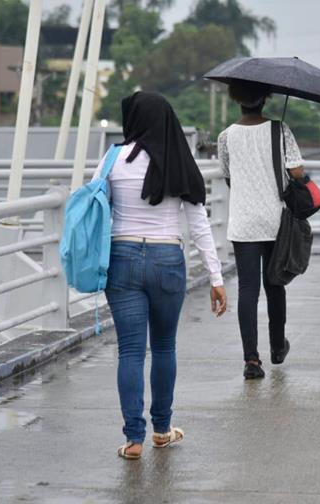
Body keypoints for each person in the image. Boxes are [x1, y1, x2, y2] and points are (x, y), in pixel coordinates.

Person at [97, 92, 228, 460]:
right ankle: (161, 430)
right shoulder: (179, 162)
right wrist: (216, 278)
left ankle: (133, 439)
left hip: (121, 258)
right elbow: (200, 225)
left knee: (131, 351)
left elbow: (92, 206)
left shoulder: (113, 158)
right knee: (165, 346)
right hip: (167, 259)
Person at [217, 80, 305, 380]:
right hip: (274, 220)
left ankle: (251, 361)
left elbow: (228, 177)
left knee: (247, 289)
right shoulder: (280, 130)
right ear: (266, 98)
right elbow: (297, 172)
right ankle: (278, 347)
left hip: (242, 222)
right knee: (274, 285)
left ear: (236, 100)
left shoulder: (226, 136)